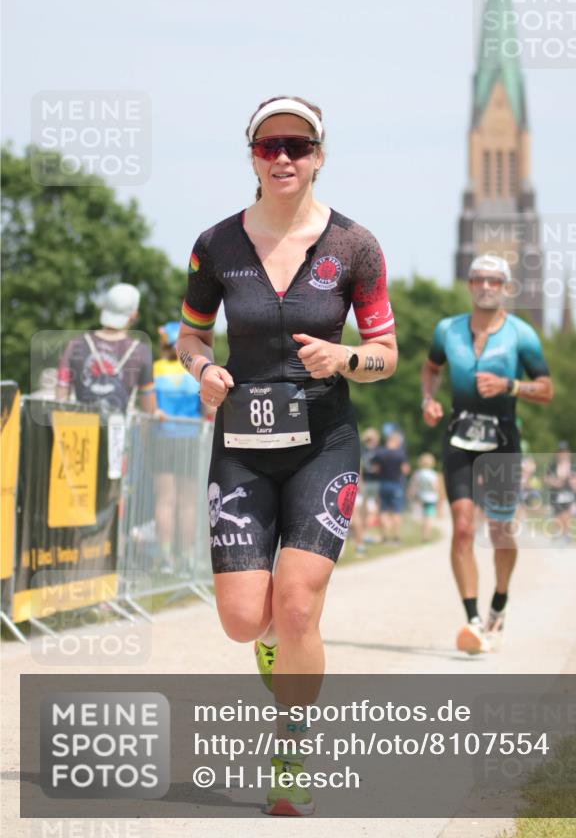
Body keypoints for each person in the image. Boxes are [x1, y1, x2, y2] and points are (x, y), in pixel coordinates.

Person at [175, 96, 397, 815]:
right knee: (245, 619)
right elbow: (190, 337)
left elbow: (388, 355)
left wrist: (348, 357)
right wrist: (202, 371)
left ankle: (291, 754)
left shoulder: (355, 245)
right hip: (241, 445)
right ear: (252, 156)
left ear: (319, 155)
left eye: (297, 146)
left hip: (323, 446)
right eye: (269, 145)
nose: (283, 158)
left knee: (299, 606)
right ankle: (270, 644)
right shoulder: (216, 244)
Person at [420, 255, 553, 655]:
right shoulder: (448, 330)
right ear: (469, 284)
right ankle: (473, 619)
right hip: (459, 435)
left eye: (494, 281)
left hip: (502, 438)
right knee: (462, 526)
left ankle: (500, 599)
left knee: (499, 529)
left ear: (506, 287)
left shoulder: (521, 335)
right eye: (479, 279)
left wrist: (510, 386)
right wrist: (428, 398)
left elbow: (546, 389)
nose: (486, 287)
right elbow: (430, 368)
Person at [152, 321, 211, 575]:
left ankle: (166, 558)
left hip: (162, 439)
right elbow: (208, 409)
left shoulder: (155, 369)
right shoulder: (194, 371)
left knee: (164, 500)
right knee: (188, 503)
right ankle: (186, 558)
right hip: (190, 438)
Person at [56, 283, 156, 417]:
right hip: (119, 433)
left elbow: (61, 397)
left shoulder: (75, 345)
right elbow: (148, 411)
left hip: (81, 432)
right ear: (133, 315)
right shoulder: (141, 352)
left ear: (104, 308)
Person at [372, 429, 411, 544]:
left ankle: (384, 537)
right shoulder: (400, 453)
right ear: (397, 441)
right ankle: (396, 537)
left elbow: (375, 469)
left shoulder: (380, 453)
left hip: (383, 484)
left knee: (383, 511)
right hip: (396, 485)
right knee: (397, 511)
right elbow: (405, 470)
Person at [545, 441, 576, 542]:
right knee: (557, 514)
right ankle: (559, 531)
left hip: (568, 493)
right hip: (556, 494)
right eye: (561, 452)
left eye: (565, 452)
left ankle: (566, 533)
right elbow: (547, 478)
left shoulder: (573, 466)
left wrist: (574, 484)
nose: (563, 454)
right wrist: (555, 482)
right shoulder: (552, 466)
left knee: (566, 514)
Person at [408, 452, 443, 541]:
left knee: (423, 516)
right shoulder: (432, 474)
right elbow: (435, 487)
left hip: (420, 497)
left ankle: (423, 534)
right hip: (431, 497)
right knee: (429, 517)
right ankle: (427, 535)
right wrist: (439, 497)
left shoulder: (417, 473)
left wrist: (410, 495)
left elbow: (413, 485)